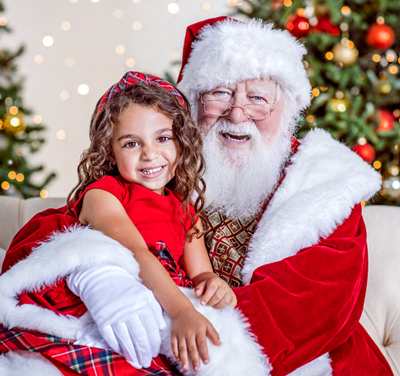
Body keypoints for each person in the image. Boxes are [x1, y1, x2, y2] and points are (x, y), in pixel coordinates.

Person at [1, 72, 264, 376]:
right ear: (109, 151)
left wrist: (213, 284)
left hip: (158, 310)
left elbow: (200, 271)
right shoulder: (104, 193)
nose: (150, 154)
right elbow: (137, 254)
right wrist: (182, 312)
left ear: (182, 143)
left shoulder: (185, 211)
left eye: (163, 138)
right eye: (131, 143)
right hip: (101, 305)